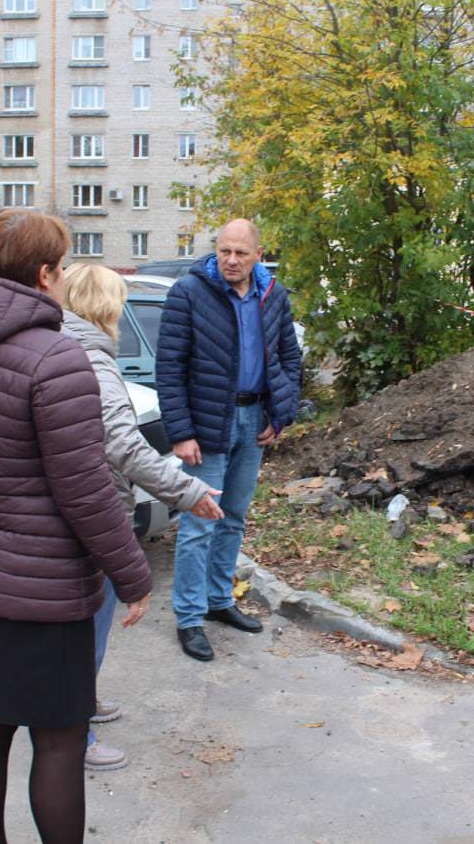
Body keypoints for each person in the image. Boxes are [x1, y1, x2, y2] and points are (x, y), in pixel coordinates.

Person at [0, 210, 152, 844]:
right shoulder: (58, 358)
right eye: (60, 266)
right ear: (45, 274)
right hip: (45, 588)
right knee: (58, 739)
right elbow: (84, 490)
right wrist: (133, 576)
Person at [59, 263, 224, 769]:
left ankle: (78, 706)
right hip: (95, 510)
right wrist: (187, 490)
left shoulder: (56, 346)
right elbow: (122, 445)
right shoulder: (93, 360)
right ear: (108, 307)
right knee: (89, 625)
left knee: (82, 624)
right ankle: (74, 735)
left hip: (71, 505)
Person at [156, 218, 303, 661]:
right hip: (207, 425)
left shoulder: (272, 295)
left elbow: (289, 360)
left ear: (259, 254)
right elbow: (170, 367)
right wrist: (180, 433)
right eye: (224, 251)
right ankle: (188, 618)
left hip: (254, 418)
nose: (231, 260)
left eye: (241, 252)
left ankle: (220, 602)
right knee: (200, 524)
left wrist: (282, 413)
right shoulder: (189, 292)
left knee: (234, 517)